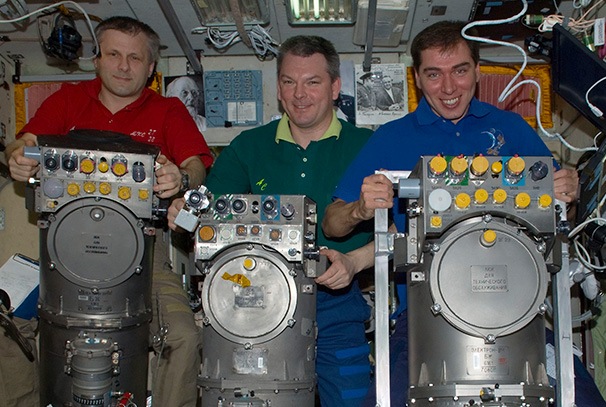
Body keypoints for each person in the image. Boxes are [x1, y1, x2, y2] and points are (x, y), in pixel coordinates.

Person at [322, 20, 597, 406]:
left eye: (460, 71)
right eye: (434, 74)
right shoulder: (392, 138)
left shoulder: (510, 128)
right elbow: (332, 223)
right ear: (417, 78)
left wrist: (567, 190)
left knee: (581, 398)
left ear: (477, 71)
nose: (449, 88)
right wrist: (358, 208)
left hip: (519, 314)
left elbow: (555, 200)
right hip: (422, 320)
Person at [4, 16, 213, 407]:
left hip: (143, 257)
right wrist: (17, 156)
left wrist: (180, 179)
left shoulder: (167, 111)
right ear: (97, 60)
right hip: (57, 255)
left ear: (151, 69)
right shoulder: (67, 102)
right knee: (4, 327)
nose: (123, 66)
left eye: (135, 58)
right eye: (113, 54)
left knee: (183, 336)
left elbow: (196, 163)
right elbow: (23, 143)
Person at [168, 35, 375, 406]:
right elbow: (201, 218)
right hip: (255, 301)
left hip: (337, 301)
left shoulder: (367, 146)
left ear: (335, 87)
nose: (300, 94)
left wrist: (356, 261)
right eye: (288, 82)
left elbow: (402, 226)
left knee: (353, 398)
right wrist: (182, 214)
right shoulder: (248, 148)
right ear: (278, 88)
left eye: (312, 82)